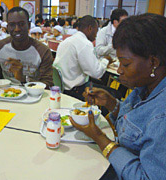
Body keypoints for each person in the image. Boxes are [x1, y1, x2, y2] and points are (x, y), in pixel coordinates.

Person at [70, 13, 166, 180]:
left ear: (153, 62)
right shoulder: (144, 87)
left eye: (126, 63)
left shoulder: (162, 116)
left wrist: (101, 139)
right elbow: (137, 124)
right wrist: (111, 103)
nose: (120, 70)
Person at [53, 15, 116, 101]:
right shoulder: (84, 43)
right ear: (90, 28)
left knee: (101, 85)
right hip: (77, 90)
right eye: (96, 31)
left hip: (64, 88)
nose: (96, 35)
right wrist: (106, 60)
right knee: (114, 94)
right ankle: (101, 112)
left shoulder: (67, 41)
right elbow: (96, 73)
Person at [0, 7, 53, 88]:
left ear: (29, 25)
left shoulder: (43, 51)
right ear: (7, 27)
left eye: (21, 24)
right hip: (5, 94)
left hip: (34, 97)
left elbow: (48, 85)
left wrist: (24, 78)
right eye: (12, 25)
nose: (17, 29)